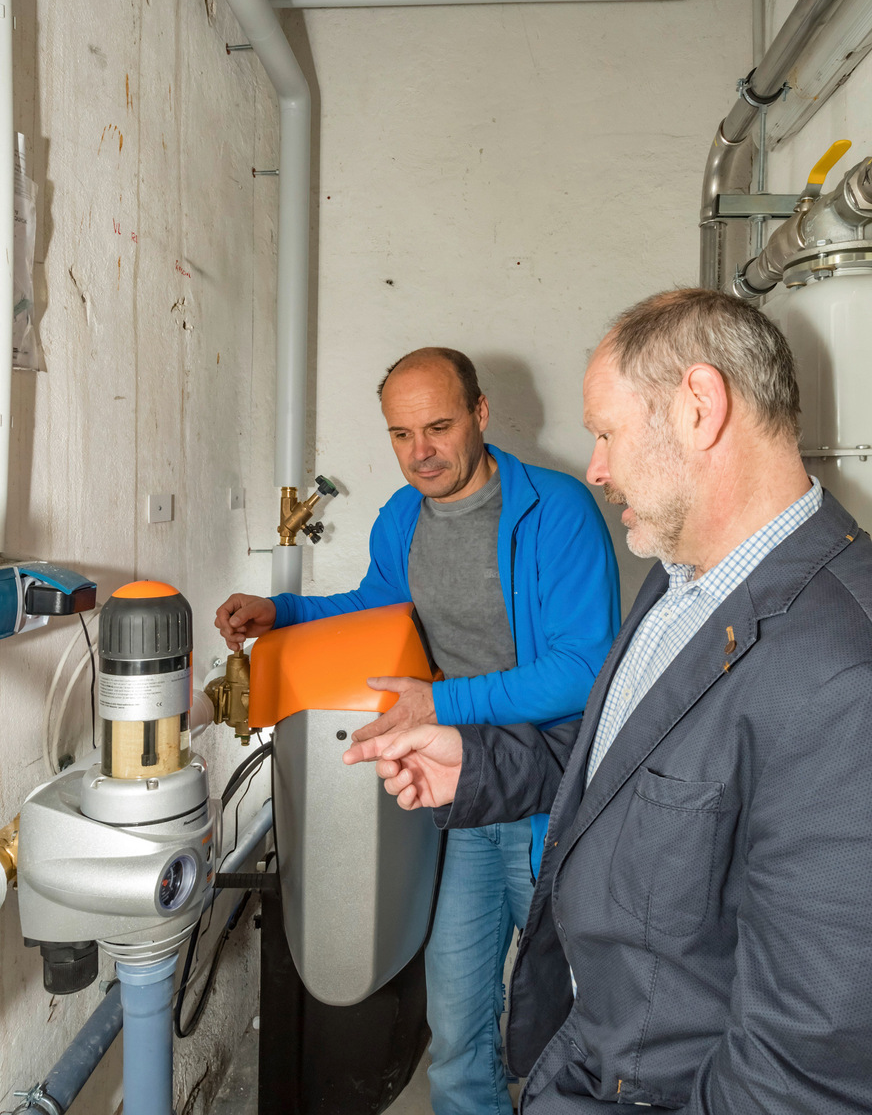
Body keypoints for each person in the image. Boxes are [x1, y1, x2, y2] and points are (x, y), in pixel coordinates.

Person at [345, 292, 872, 1115]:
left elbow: (802, 1073)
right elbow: (623, 767)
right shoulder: (679, 579)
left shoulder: (846, 674)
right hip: (594, 1054)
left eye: (607, 432)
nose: (594, 466)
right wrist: (479, 763)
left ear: (699, 408)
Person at [215, 346, 620, 1115]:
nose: (420, 452)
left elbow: (585, 666)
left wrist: (444, 704)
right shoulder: (401, 517)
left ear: (480, 415)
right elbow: (377, 608)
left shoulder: (557, 508)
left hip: (555, 798)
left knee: (575, 1020)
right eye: (401, 435)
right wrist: (285, 614)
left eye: (437, 426)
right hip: (461, 796)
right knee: (458, 1017)